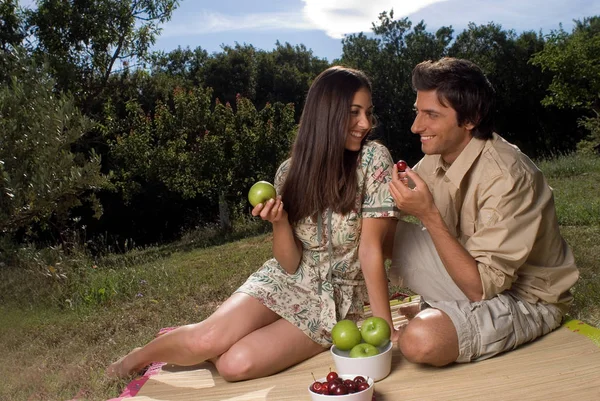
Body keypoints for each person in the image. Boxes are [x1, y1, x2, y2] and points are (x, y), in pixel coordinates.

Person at [107, 66, 400, 381]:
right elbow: (288, 264)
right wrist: (280, 222)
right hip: (283, 280)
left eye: (368, 113)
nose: (365, 124)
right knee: (204, 340)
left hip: (334, 302)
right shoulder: (289, 173)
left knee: (235, 365)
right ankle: (136, 358)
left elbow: (371, 250)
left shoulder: (373, 160)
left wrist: (385, 328)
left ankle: (209, 342)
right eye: (354, 113)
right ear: (325, 113)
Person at [388, 57, 579, 367]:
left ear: (471, 118)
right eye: (417, 112)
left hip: (525, 299)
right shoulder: (438, 156)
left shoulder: (508, 176)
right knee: (378, 228)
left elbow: (479, 287)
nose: (415, 127)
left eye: (431, 115)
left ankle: (442, 313)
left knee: (420, 340)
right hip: (468, 275)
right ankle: (443, 310)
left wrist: (428, 214)